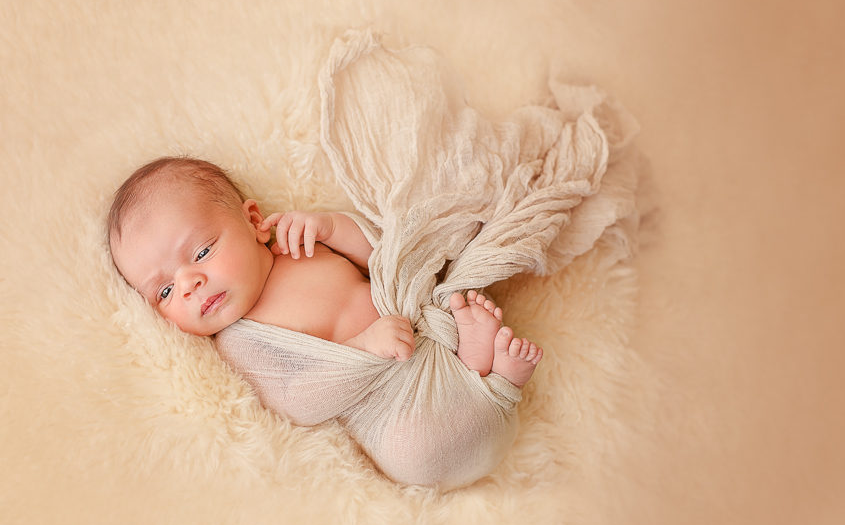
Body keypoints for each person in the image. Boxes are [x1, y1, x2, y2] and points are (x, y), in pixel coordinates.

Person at [108, 156, 543, 391]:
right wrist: (363, 346)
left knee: (446, 304)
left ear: (254, 221)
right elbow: (302, 392)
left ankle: (489, 371)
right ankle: (494, 382)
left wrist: (334, 227)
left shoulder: (297, 246)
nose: (189, 285)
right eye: (164, 291)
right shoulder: (243, 342)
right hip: (384, 386)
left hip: (422, 329)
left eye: (202, 250)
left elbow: (384, 257)